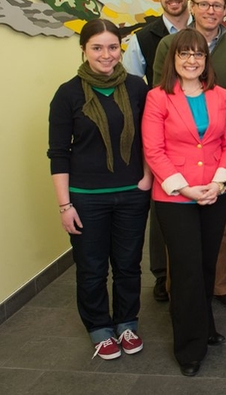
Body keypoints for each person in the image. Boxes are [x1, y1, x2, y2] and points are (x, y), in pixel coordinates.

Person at [48, 19, 151, 361]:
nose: (106, 55)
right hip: (86, 198)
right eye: (97, 48)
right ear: (84, 50)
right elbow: (59, 153)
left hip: (131, 194)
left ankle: (126, 322)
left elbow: (151, 141)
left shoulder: (138, 88)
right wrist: (65, 206)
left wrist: (146, 181)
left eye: (112, 47)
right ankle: (99, 328)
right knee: (91, 267)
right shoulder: (68, 94)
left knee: (128, 264)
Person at [142, 28, 226, 377]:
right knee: (185, 272)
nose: (192, 60)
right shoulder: (158, 98)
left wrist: (218, 182)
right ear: (174, 59)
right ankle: (189, 348)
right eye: (184, 54)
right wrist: (185, 189)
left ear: (206, 59)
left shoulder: (221, 96)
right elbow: (154, 150)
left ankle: (205, 326)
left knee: (206, 267)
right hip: (174, 197)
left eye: (198, 54)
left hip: (215, 192)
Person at [152, 0, 226, 310]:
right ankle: (178, 288)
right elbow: (161, 95)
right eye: (204, 4)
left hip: (220, 152)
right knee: (180, 239)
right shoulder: (170, 43)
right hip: (177, 154)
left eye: (217, 5)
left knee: (221, 229)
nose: (211, 10)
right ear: (192, 6)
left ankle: (220, 286)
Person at [123, 0, 193, 304]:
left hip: (199, 136)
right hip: (161, 138)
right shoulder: (143, 38)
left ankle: (194, 273)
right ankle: (162, 276)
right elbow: (132, 89)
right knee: (163, 206)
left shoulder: (203, 32)